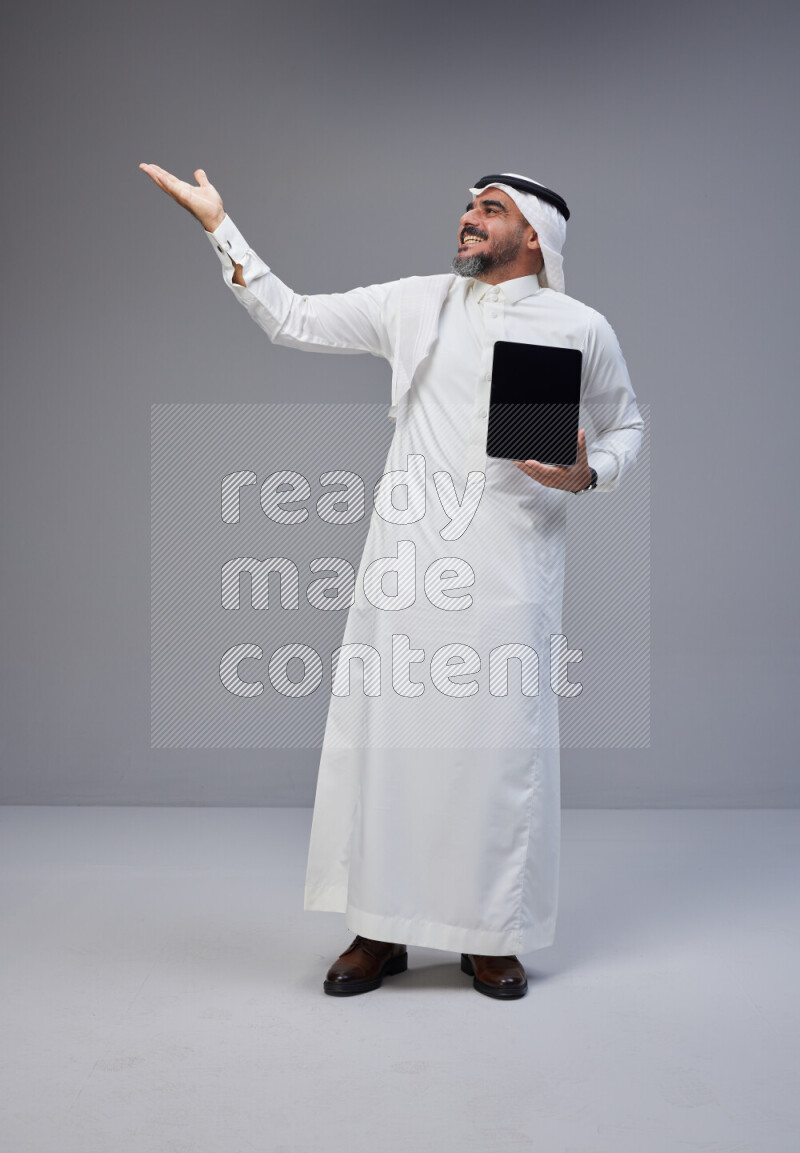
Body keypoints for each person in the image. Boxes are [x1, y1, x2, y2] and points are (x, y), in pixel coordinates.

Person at [140, 163, 643, 1000]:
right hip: (407, 570)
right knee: (390, 749)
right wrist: (219, 226)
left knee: (494, 754)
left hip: (512, 572)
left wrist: (588, 477)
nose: (467, 219)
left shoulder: (576, 324)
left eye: (490, 210)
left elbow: (624, 424)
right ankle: (378, 929)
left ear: (536, 237)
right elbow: (292, 317)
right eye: (468, 207)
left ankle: (491, 936)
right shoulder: (415, 303)